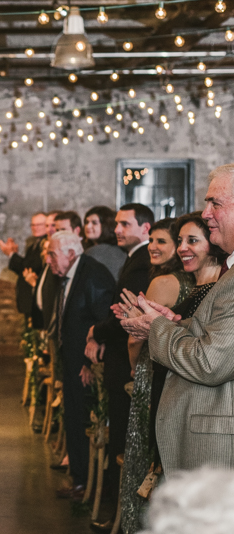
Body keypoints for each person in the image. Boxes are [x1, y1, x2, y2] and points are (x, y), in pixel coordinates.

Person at [120, 164, 234, 478]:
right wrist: (174, 324)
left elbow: (211, 361)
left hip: (218, 449)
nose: (206, 213)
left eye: (216, 204)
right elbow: (218, 335)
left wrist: (157, 327)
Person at [117, 218, 193, 533]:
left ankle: (136, 521)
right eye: (152, 241)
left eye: (162, 241)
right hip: (180, 370)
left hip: (157, 368)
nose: (153, 247)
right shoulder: (200, 280)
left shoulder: (163, 283)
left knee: (147, 451)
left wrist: (135, 364)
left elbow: (137, 338)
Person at [85, 203, 153, 531]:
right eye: (118, 224)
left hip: (124, 362)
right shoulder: (134, 258)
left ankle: (121, 515)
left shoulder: (142, 262)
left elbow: (125, 314)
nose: (118, 229)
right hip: (117, 357)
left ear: (145, 228)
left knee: (124, 441)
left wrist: (98, 330)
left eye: (125, 224)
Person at [45, 231, 115, 500]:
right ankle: (79, 477)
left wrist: (89, 363)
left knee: (81, 419)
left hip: (85, 365)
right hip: (73, 359)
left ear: (71, 254)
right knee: (74, 417)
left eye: (52, 254)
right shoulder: (73, 272)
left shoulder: (93, 274)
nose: (49, 259)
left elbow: (102, 320)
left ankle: (85, 481)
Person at [0, 212, 47, 321]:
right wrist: (12, 254)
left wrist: (12, 254)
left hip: (37, 298)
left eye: (39, 225)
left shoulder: (45, 244)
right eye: (33, 225)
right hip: (29, 299)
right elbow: (24, 270)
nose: (35, 228)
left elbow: (32, 267)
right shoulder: (33, 246)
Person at [84, 206, 127, 282]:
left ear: (106, 225)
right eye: (86, 222)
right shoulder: (120, 249)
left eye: (94, 223)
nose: (88, 226)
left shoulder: (95, 251)